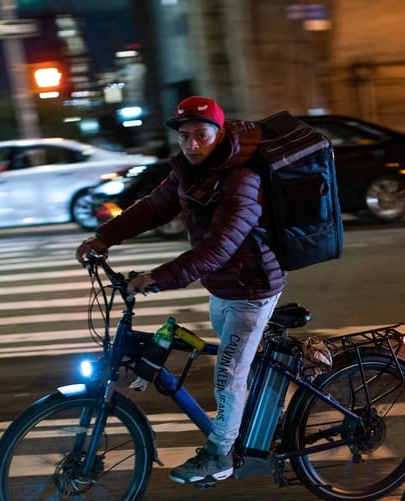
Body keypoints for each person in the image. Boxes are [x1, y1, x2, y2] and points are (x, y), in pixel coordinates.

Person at [76, 96, 286, 485]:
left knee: (227, 374)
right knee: (236, 362)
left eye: (201, 135)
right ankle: (262, 421)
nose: (191, 144)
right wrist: (104, 237)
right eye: (185, 136)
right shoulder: (190, 172)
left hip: (252, 288)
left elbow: (219, 247)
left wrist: (160, 276)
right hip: (223, 287)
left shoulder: (241, 178)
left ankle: (220, 455)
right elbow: (153, 207)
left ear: (219, 134)